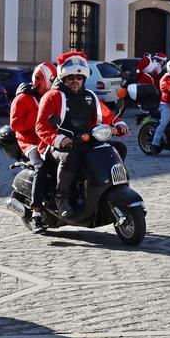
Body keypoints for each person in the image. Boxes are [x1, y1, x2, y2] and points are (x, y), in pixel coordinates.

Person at [35, 53, 126, 217]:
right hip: (57, 145)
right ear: (64, 77)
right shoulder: (52, 96)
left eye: (79, 77)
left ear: (84, 78)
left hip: (85, 140)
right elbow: (41, 126)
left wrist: (118, 123)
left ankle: (104, 186)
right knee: (70, 157)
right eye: (70, 77)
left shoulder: (89, 96)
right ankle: (61, 197)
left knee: (118, 148)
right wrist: (59, 139)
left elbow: (105, 114)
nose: (75, 80)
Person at [10, 62, 56, 232]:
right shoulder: (22, 98)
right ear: (40, 79)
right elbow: (15, 124)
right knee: (41, 167)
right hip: (30, 142)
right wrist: (39, 116)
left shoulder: (51, 96)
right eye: (50, 80)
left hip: (49, 138)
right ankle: (36, 214)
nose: (52, 84)